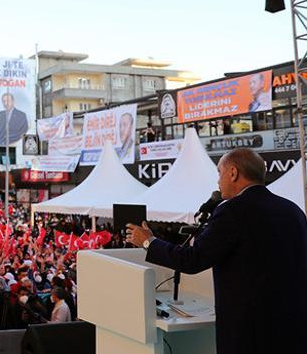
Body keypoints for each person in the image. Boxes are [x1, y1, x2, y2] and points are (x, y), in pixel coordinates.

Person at [126, 148, 307, 354]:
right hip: (293, 327)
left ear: (233, 173)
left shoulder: (232, 210)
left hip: (250, 333)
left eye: (219, 173)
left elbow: (193, 260)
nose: (218, 181)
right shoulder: (293, 210)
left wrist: (149, 242)